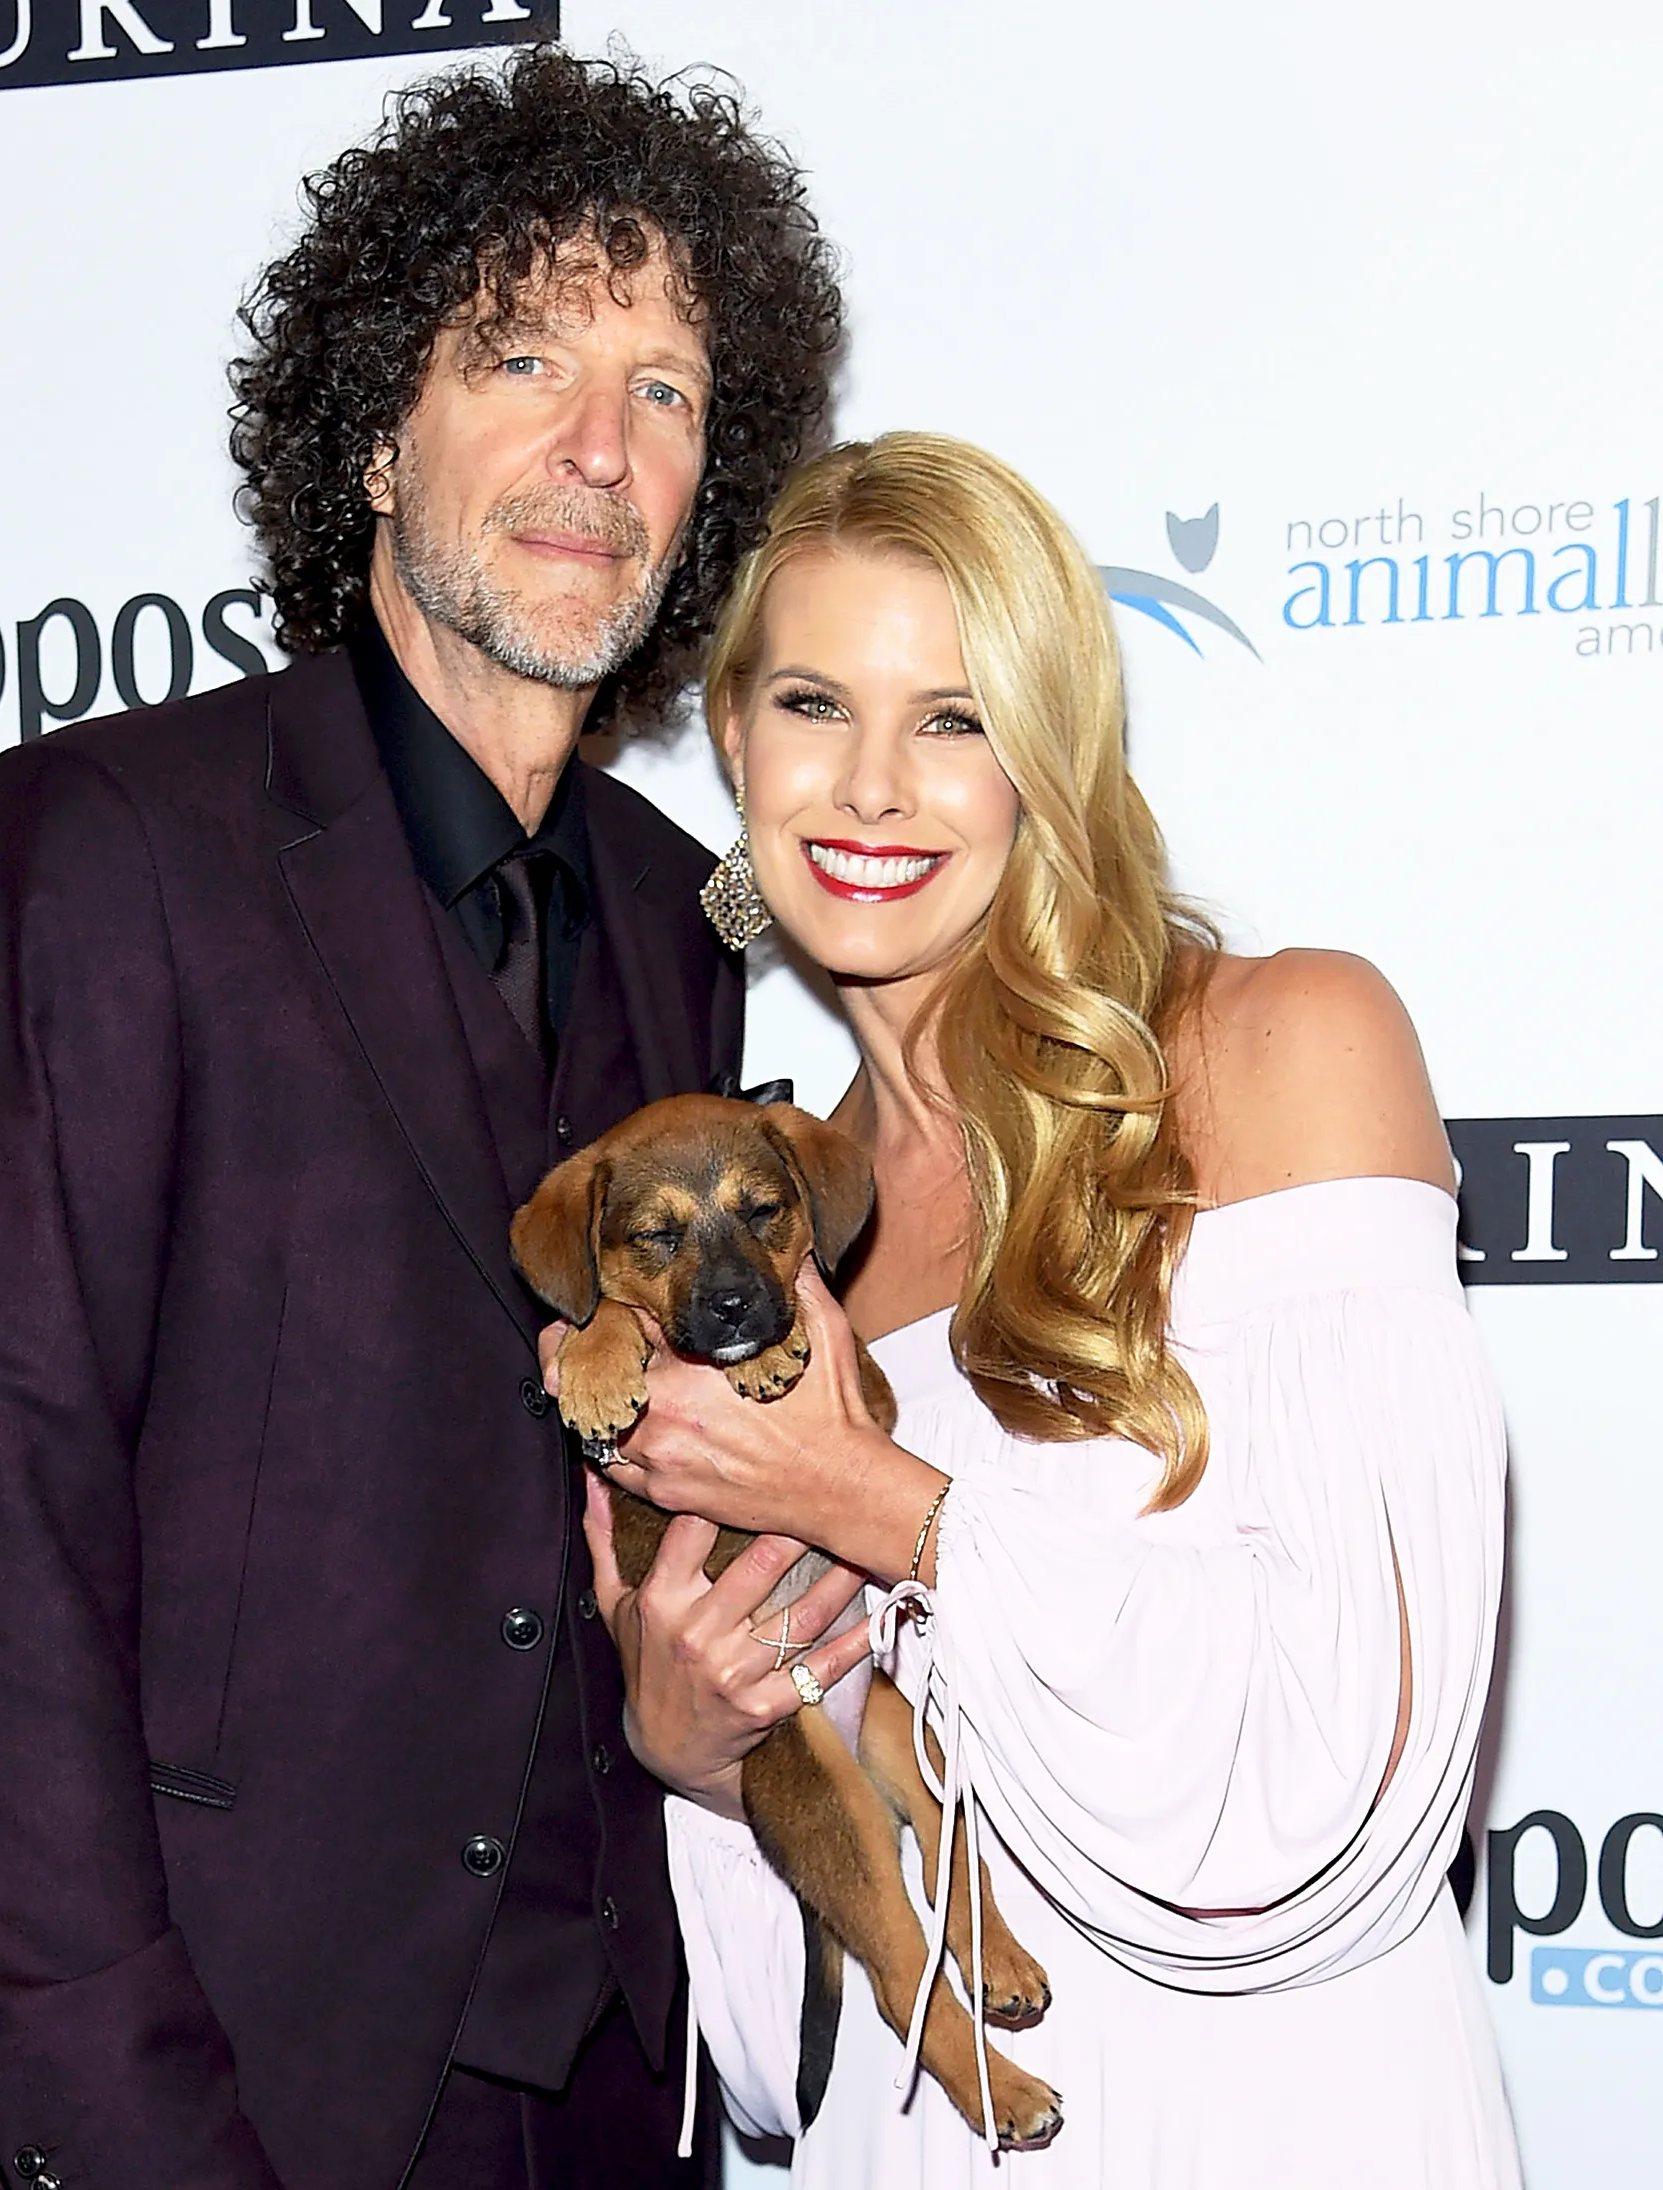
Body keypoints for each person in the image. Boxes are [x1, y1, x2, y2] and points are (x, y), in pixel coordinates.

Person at [0, 49, 841, 2190]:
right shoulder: (98, 846)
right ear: (377, 426)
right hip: (201, 2092)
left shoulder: (685, 922)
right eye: (521, 356)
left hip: (596, 2100)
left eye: (666, 389)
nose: (599, 449)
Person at [568, 433, 1522, 2186]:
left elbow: (1361, 1788)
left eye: (954, 717)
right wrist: (701, 1749)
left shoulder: (1284, 1050)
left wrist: (881, 1506)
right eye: (810, 703)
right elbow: (779, 2077)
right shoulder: (779, 1227)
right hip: (922, 2133)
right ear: (732, 741)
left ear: (1050, 757)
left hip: (1270, 2119)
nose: (869, 787)